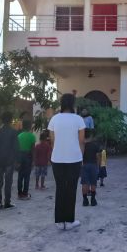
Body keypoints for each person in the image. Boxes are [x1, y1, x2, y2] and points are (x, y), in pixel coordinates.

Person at [49, 93, 86, 230]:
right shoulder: (78, 119)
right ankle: (69, 221)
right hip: (74, 158)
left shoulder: (54, 119)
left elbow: (52, 141)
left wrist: (58, 152)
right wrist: (80, 156)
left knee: (60, 188)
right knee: (71, 188)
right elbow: (81, 141)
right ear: (73, 104)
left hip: (57, 158)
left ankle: (59, 221)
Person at [0, 111, 19, 210]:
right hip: (9, 161)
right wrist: (16, 161)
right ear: (11, 120)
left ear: (1, 120)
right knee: (8, 182)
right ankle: (7, 202)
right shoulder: (13, 132)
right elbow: (16, 148)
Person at [17, 119, 36, 200]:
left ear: (23, 126)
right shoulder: (32, 136)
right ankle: (25, 193)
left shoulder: (19, 136)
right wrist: (33, 160)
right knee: (27, 176)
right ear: (30, 126)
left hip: (20, 156)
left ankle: (19, 193)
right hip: (28, 156)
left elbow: (16, 149)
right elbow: (33, 149)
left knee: (20, 175)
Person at [81, 130, 101, 206]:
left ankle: (85, 200)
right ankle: (93, 199)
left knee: (84, 183)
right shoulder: (95, 145)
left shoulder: (82, 145)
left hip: (84, 165)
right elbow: (98, 156)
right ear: (91, 136)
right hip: (93, 165)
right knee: (93, 182)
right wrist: (98, 166)